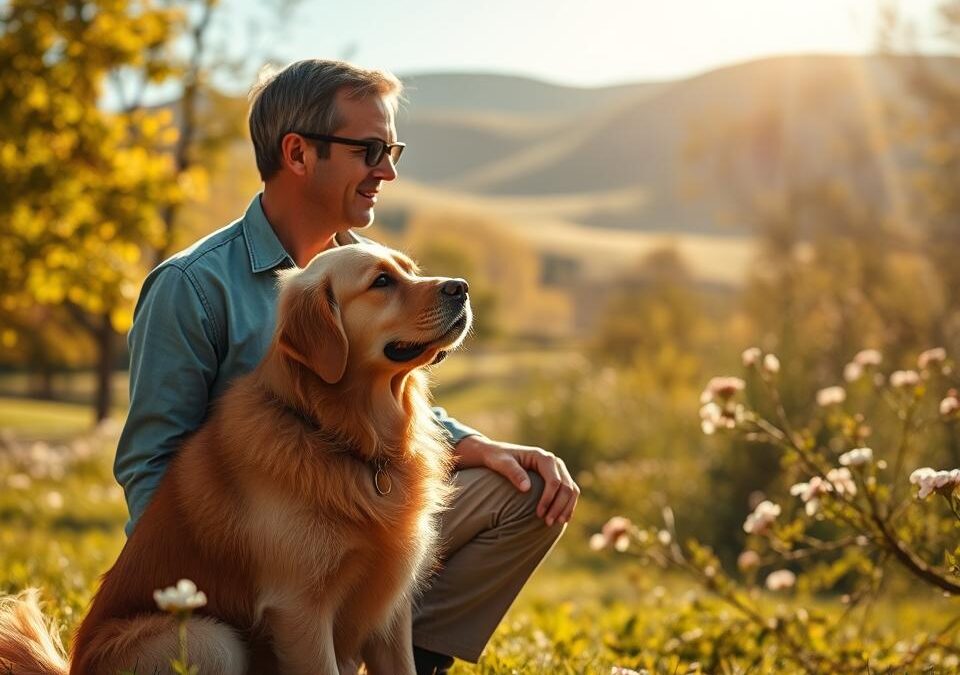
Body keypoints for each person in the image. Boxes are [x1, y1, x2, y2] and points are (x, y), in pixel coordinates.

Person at [114, 58, 580, 674]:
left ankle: (404, 659)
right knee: (222, 648)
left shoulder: (364, 264)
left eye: (392, 150)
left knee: (522, 491)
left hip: (358, 505)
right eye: (368, 150)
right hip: (232, 581)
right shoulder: (193, 285)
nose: (386, 170)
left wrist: (480, 446)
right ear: (299, 153)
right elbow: (151, 463)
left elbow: (385, 403)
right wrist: (214, 584)